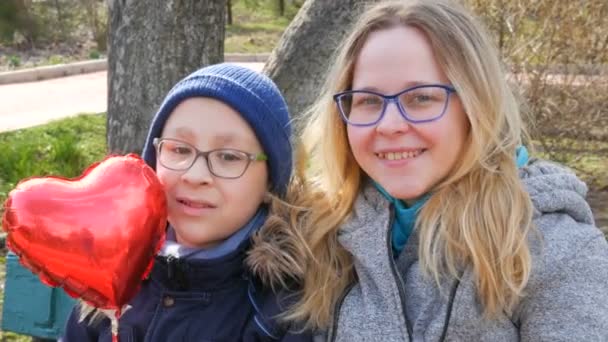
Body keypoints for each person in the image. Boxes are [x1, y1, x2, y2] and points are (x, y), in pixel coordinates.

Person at [287, 0, 608, 341]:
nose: (390, 124)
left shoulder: (556, 250)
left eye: (422, 97)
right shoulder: (318, 239)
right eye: (368, 100)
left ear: (476, 106)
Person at [61, 63, 312, 341]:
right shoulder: (116, 273)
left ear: (270, 183)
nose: (195, 175)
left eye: (229, 156)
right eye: (179, 149)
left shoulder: (281, 311)